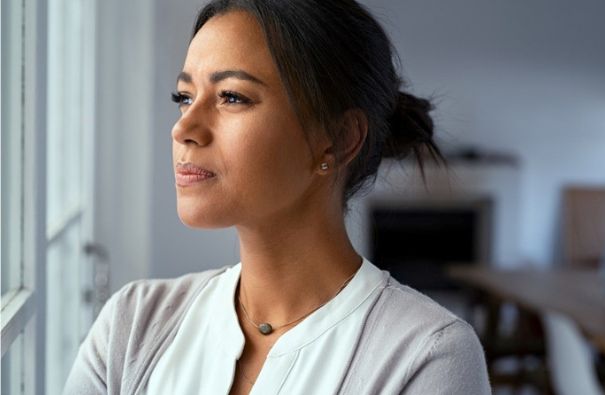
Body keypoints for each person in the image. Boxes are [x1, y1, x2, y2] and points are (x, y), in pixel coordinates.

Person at [63, 0, 491, 393]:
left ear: (337, 140)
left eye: (231, 97)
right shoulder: (133, 323)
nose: (183, 129)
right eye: (185, 97)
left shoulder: (428, 357)